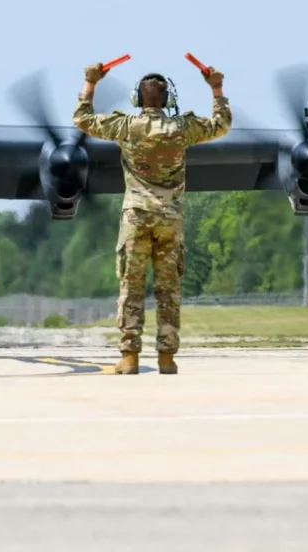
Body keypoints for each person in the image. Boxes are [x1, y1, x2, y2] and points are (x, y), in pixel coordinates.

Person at [72, 62, 230, 374]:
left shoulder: (126, 127)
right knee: (168, 290)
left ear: (136, 99)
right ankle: (167, 358)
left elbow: (82, 119)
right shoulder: (182, 128)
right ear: (168, 100)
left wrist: (90, 83)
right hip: (170, 218)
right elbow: (220, 124)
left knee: (131, 287)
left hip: (136, 217)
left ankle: (129, 357)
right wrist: (216, 88)